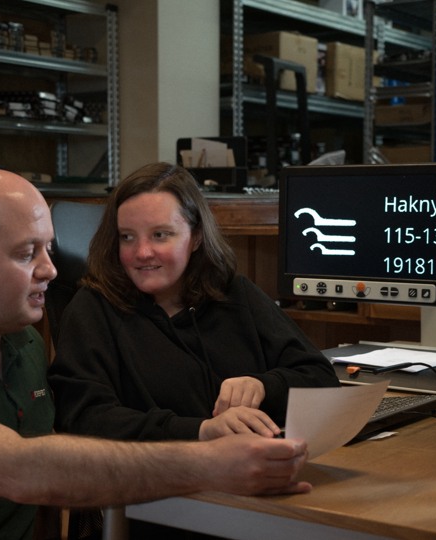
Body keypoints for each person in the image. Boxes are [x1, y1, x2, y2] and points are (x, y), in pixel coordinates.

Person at [0, 167, 312, 540]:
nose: (51, 271)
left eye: (48, 250)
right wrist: (209, 461)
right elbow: (21, 470)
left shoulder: (23, 346)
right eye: (26, 253)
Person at [48, 162, 340, 445]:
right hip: (155, 474)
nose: (142, 252)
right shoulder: (93, 309)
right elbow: (83, 418)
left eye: (160, 235)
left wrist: (264, 385)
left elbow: (321, 378)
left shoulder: (233, 293)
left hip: (252, 464)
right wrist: (200, 431)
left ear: (196, 237)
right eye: (127, 237)